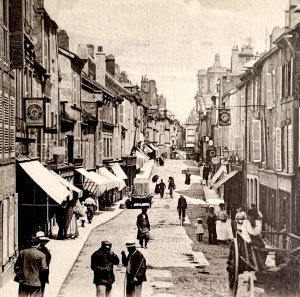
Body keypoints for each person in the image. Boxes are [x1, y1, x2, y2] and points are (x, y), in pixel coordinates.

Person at [35, 231, 51, 297]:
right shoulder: (44, 250)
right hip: (41, 274)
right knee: (40, 292)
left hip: (39, 274)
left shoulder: (43, 250)